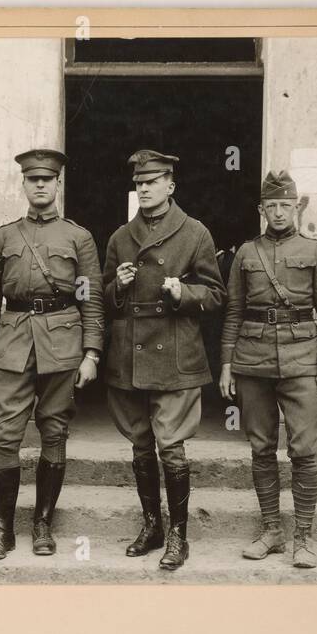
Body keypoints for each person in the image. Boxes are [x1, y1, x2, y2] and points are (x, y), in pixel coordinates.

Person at [0, 147, 104, 560]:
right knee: (5, 435)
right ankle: (2, 532)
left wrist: (91, 353)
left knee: (54, 431)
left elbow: (91, 296)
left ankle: (43, 525)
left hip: (63, 345)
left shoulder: (77, 236)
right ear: (24, 183)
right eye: (33, 179)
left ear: (58, 183)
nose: (40, 185)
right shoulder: (4, 236)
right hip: (12, 344)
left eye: (47, 179)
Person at [101, 149, 225, 570]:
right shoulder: (120, 237)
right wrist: (116, 287)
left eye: (153, 182)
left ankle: (179, 536)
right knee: (140, 445)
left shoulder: (195, 233)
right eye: (139, 183)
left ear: (171, 185)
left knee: (170, 446)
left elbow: (217, 295)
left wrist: (184, 294)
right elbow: (103, 301)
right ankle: (152, 525)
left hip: (174, 352)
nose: (145, 188)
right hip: (130, 355)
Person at [219, 170, 317, 567]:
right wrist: (226, 363)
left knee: (303, 451)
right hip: (253, 362)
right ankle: (272, 531)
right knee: (261, 448)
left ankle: (302, 539)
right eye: (271, 206)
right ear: (261, 209)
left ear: (297, 206)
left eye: (286, 205)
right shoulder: (246, 254)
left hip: (304, 362)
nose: (279, 212)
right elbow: (234, 311)